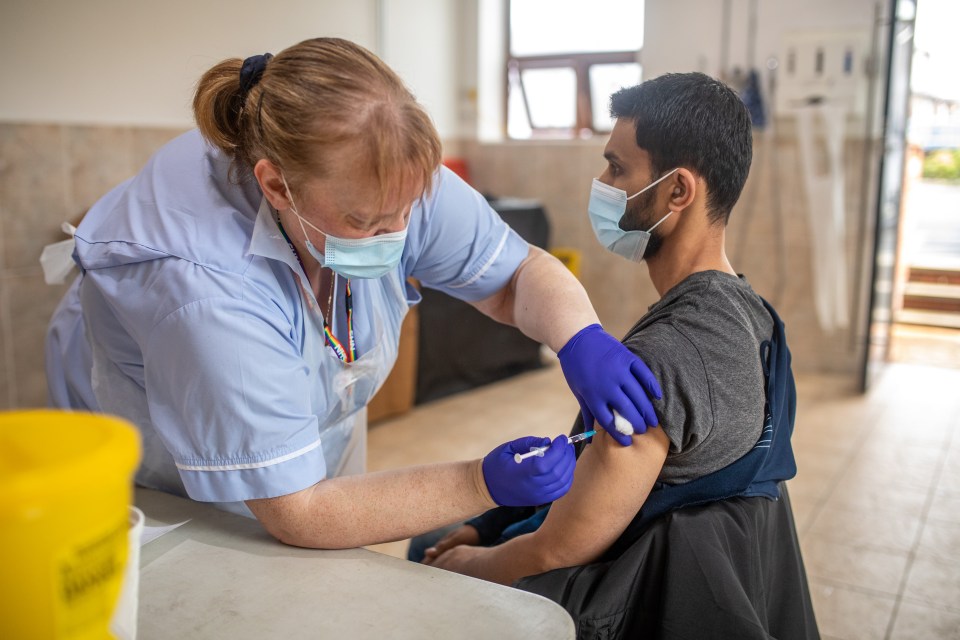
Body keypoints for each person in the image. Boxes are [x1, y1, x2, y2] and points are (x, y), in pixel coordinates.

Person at [43, 37, 665, 550]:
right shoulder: (206, 294)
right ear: (277, 186)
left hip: (297, 439)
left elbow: (516, 276)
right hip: (167, 460)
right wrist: (479, 482)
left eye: (404, 212)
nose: (396, 236)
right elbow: (300, 512)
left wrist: (580, 336)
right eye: (366, 223)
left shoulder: (389, 166)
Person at [421, 72, 814, 635]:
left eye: (617, 168)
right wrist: (489, 525)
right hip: (682, 559)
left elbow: (561, 548)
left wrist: (468, 563)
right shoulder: (751, 315)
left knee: (423, 552)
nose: (601, 183)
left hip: (619, 600)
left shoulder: (668, 353)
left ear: (678, 191)